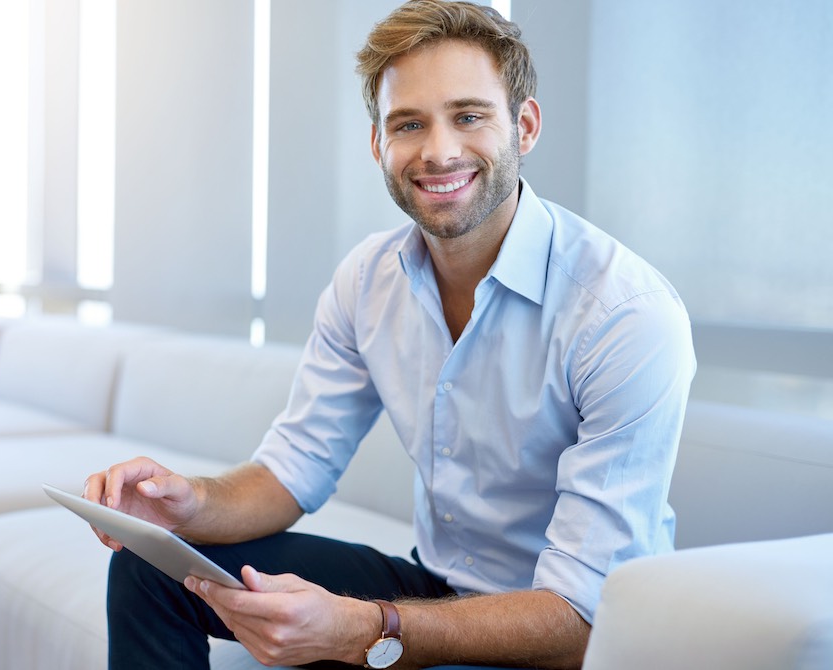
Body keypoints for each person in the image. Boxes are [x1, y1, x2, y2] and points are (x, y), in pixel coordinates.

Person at [84, 1, 695, 668]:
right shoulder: (368, 281)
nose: (438, 151)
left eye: (469, 116)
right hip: (436, 590)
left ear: (524, 125)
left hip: (568, 637)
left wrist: (367, 628)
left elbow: (582, 614)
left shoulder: (622, 314)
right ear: (379, 144)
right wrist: (189, 504)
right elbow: (292, 472)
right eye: (409, 124)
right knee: (151, 569)